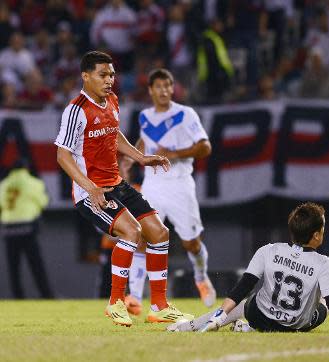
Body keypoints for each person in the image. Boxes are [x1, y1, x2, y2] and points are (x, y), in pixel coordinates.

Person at [54, 50, 192, 327]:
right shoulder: (76, 109)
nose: (109, 80)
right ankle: (116, 302)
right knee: (132, 231)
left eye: (112, 74)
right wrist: (90, 187)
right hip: (91, 193)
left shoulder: (112, 101)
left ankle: (159, 306)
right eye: (102, 74)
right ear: (86, 76)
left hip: (117, 183)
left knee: (160, 232)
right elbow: (62, 155)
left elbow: (113, 132)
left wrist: (141, 157)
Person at [169, 202, 329, 334]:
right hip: (296, 325)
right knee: (325, 303)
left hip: (260, 315)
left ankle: (189, 326)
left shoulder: (268, 250)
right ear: (317, 235)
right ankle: (246, 327)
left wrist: (220, 312)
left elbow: (244, 285)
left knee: (245, 303)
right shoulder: (326, 263)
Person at [131, 68, 216, 308]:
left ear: (172, 88)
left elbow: (205, 147)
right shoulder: (144, 116)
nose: (164, 90)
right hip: (152, 184)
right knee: (142, 236)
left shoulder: (185, 114)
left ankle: (201, 277)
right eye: (158, 86)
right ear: (150, 90)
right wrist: (131, 158)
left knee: (191, 242)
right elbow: (144, 140)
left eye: (168, 86)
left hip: (179, 185)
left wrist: (174, 154)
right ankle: (135, 298)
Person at [0, 158, 54, 299]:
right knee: (36, 265)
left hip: (8, 229)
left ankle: (18, 297)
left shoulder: (4, 185)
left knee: (13, 267)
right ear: (26, 168)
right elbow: (43, 202)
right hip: (27, 228)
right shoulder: (33, 183)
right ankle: (46, 295)